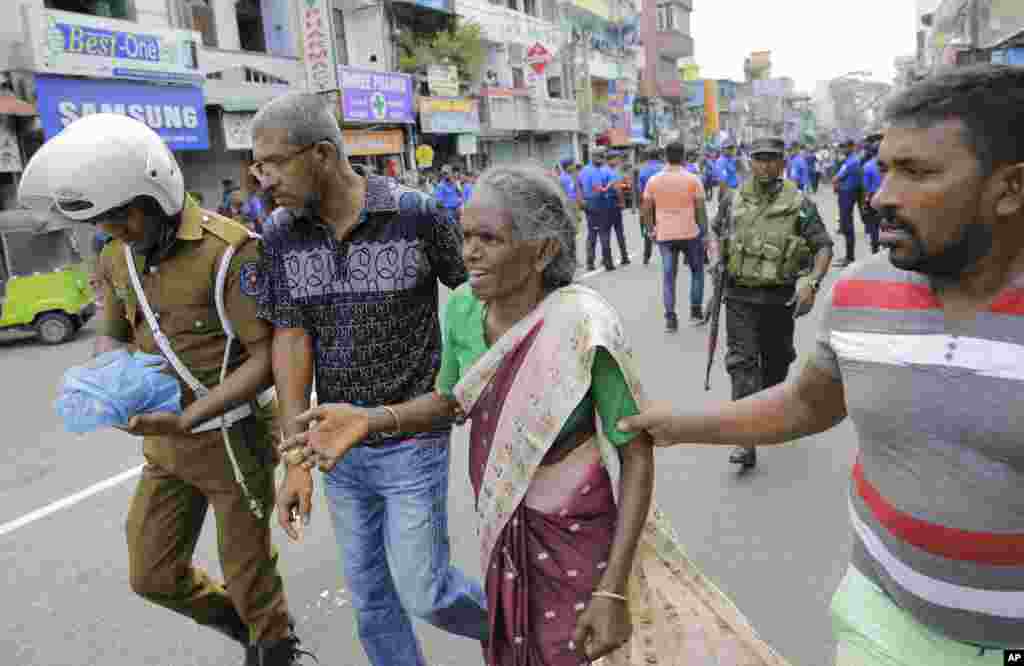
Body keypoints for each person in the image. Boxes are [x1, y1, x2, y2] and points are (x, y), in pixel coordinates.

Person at [281, 164, 793, 666]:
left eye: (489, 239)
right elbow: (452, 400)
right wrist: (371, 420)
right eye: (465, 236)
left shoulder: (582, 324)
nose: (470, 253)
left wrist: (612, 590)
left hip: (580, 536)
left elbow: (634, 453)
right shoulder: (461, 309)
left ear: (543, 250)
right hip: (503, 530)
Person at [621, 64, 1024, 666]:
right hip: (881, 624)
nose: (882, 195)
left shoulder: (797, 207)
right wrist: (680, 424)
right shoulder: (860, 295)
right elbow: (808, 402)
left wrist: (806, 280)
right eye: (886, 168)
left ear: (1009, 188)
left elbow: (816, 247)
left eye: (917, 172)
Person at [19, 113, 311, 665]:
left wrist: (191, 415)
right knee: (150, 573)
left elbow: (265, 358)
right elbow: (112, 329)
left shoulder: (230, 253)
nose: (116, 230)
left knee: (248, 570)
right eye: (105, 221)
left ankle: (273, 645)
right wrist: (105, 382)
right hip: (165, 443)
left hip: (232, 438)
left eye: (124, 215)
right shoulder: (114, 254)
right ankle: (249, 627)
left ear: (159, 193)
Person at [249, 93, 487, 666]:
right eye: (258, 166)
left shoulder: (416, 213)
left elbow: (476, 296)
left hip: (412, 436)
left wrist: (472, 385)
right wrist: (296, 460)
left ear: (324, 154)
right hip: (338, 449)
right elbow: (290, 337)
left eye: (274, 163)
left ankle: (518, 628)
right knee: (372, 602)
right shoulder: (281, 232)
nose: (262, 180)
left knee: (425, 591)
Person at [710, 136, 834, 469]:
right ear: (750, 161)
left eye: (772, 158)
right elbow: (716, 234)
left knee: (777, 362)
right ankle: (744, 438)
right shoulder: (731, 199)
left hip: (780, 298)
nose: (765, 164)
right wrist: (715, 257)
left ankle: (768, 399)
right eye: (759, 158)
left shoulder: (800, 203)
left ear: (783, 163)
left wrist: (812, 281)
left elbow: (823, 246)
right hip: (739, 295)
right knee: (741, 363)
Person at [642, 142, 708, 331]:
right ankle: (695, 311)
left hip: (665, 235)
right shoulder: (693, 180)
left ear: (665, 157)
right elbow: (701, 210)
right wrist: (704, 234)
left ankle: (670, 319)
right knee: (697, 272)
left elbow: (646, 209)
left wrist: (650, 230)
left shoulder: (654, 180)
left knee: (669, 276)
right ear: (684, 156)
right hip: (690, 234)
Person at [579, 150, 614, 271]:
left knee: (592, 233)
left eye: (603, 157)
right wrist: (607, 187)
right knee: (603, 233)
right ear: (593, 157)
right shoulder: (593, 171)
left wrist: (581, 200)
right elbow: (598, 188)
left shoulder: (584, 170)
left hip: (589, 203)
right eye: (600, 157)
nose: (602, 160)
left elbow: (578, 185)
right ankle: (608, 262)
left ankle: (590, 262)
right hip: (597, 203)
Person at [832, 140, 864, 267]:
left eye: (845, 147)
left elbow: (836, 177)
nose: (843, 149)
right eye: (842, 147)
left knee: (847, 226)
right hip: (849, 194)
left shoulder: (851, 161)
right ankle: (849, 256)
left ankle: (849, 257)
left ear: (851, 147)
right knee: (846, 226)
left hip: (847, 195)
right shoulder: (853, 160)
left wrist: (835, 183)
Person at [636, 148, 665, 265]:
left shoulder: (643, 170)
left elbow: (640, 190)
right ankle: (665, 254)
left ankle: (646, 256)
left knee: (648, 228)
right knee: (663, 228)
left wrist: (640, 205)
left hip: (648, 202)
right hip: (662, 203)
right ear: (659, 156)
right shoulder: (664, 169)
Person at [604, 154, 630, 267]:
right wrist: (622, 202)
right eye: (617, 159)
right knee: (619, 231)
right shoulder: (613, 172)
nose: (618, 161)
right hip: (613, 204)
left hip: (602, 204)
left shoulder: (601, 171)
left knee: (605, 233)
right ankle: (624, 256)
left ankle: (607, 260)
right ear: (612, 160)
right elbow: (618, 189)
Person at [859, 134, 883, 254]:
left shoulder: (867, 166)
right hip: (886, 198)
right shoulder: (887, 164)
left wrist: (864, 202)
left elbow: (866, 188)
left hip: (873, 199)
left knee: (874, 228)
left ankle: (875, 251)